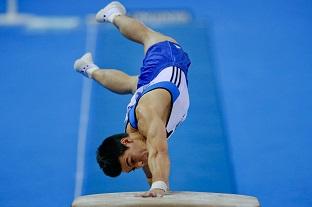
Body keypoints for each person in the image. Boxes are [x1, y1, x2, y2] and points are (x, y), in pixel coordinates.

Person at [74, 1, 191, 197]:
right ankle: (89, 69)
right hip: (150, 87)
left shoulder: (147, 117)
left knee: (149, 37)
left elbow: (158, 153)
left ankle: (112, 15)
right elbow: (150, 163)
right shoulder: (139, 142)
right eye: (134, 167)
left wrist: (160, 186)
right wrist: (153, 186)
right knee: (131, 84)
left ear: (127, 141)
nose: (140, 163)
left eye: (131, 161)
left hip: (166, 61)